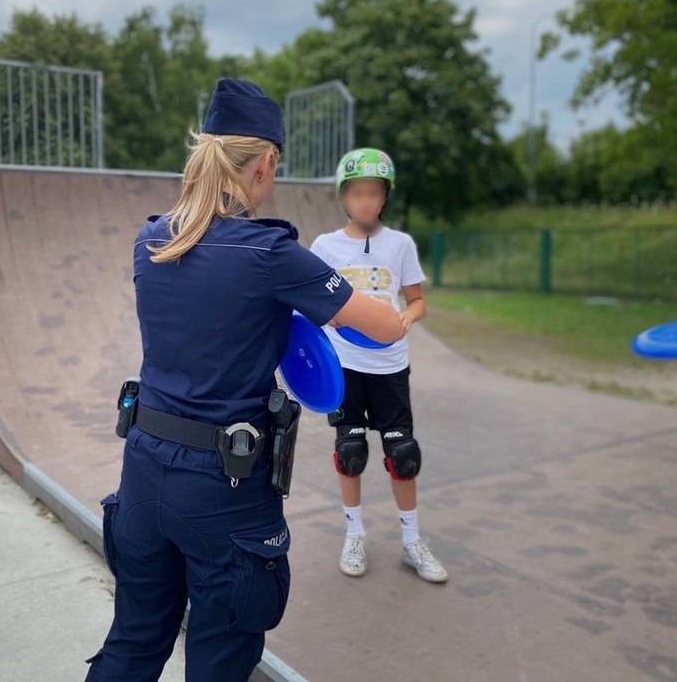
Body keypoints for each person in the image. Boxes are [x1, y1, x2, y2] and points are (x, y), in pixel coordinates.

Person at [84, 80, 405, 682]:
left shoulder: (150, 239)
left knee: (131, 644)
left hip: (143, 471)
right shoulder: (270, 254)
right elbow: (385, 327)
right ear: (266, 164)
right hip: (223, 490)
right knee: (221, 663)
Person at [309, 148, 447, 583]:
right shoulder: (326, 247)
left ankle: (411, 542)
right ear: (344, 197)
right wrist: (325, 314)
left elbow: (418, 300)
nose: (365, 201)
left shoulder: (400, 245)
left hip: (390, 367)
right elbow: (311, 302)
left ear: (384, 197)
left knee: (402, 454)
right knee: (350, 453)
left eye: (373, 193)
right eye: (357, 193)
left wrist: (407, 317)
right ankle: (355, 534)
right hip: (345, 365)